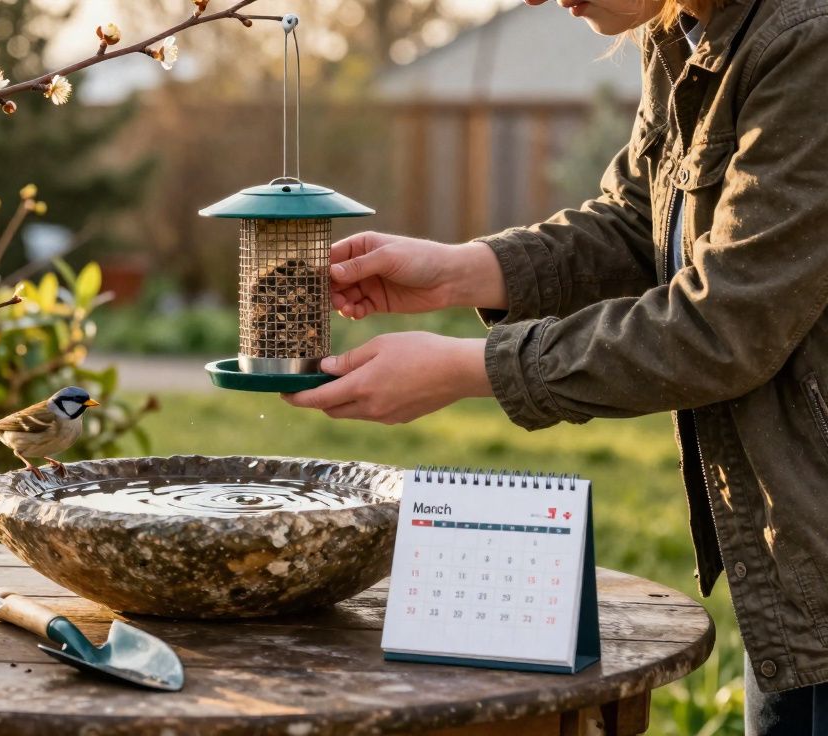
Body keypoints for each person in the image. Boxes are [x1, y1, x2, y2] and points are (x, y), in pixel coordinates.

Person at [282, 0, 828, 732]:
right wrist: (463, 271)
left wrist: (470, 368)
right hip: (796, 575)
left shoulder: (808, 42)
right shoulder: (681, 32)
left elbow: (725, 324)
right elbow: (640, 222)